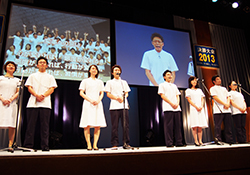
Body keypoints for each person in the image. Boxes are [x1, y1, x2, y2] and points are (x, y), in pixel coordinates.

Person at [23, 57, 57, 151]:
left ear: (47, 65)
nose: (42, 64)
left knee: (45, 127)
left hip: (45, 104)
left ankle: (45, 146)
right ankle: (28, 145)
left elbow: (52, 88)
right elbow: (29, 87)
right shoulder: (32, 75)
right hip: (32, 103)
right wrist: (36, 95)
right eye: (40, 62)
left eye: (44, 62)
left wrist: (43, 95)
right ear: (37, 65)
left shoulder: (50, 77)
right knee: (30, 125)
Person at [79, 65, 107, 150]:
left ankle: (95, 144)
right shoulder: (85, 81)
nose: (94, 70)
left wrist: (98, 100)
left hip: (97, 104)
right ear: (89, 71)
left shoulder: (100, 82)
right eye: (92, 69)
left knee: (97, 125)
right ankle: (88, 144)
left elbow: (102, 93)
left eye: (95, 69)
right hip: (88, 103)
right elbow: (81, 93)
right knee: (87, 125)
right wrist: (90, 100)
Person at [105, 65, 131, 149]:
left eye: (118, 70)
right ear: (112, 73)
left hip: (124, 106)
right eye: (115, 70)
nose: (117, 71)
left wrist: (123, 98)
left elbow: (127, 92)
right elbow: (108, 94)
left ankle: (126, 143)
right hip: (114, 106)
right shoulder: (110, 82)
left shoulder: (124, 82)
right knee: (114, 126)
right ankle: (115, 143)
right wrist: (117, 98)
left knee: (125, 125)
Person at [158, 70, 184, 147]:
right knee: (169, 126)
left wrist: (177, 103)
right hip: (168, 107)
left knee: (178, 126)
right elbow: (162, 96)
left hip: (176, 107)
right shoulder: (162, 85)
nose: (170, 76)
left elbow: (177, 95)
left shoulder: (174, 86)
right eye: (168, 74)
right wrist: (171, 103)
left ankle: (179, 142)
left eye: (171, 74)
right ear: (164, 77)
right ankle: (169, 143)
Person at [0, 61, 19, 151]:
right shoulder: (1, 78)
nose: (11, 67)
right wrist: (2, 99)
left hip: (11, 103)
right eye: (9, 65)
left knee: (12, 124)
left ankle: (10, 145)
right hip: (1, 102)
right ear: (5, 67)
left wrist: (10, 100)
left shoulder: (17, 80)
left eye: (13, 66)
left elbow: (18, 92)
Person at [209, 75, 234, 144]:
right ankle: (218, 139)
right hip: (218, 109)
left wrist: (228, 103)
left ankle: (229, 140)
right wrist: (224, 104)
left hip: (227, 109)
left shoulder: (224, 88)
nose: (219, 80)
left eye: (220, 79)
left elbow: (228, 97)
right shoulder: (212, 88)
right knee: (218, 126)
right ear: (214, 81)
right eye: (217, 79)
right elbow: (215, 97)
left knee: (228, 126)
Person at [185, 77, 208, 146]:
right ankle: (196, 141)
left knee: (200, 125)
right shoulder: (188, 90)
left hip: (200, 108)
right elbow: (189, 100)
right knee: (195, 125)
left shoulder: (199, 90)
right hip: (194, 109)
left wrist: (201, 106)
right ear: (190, 82)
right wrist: (196, 106)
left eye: (195, 80)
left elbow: (202, 99)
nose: (194, 82)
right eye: (193, 81)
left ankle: (200, 141)